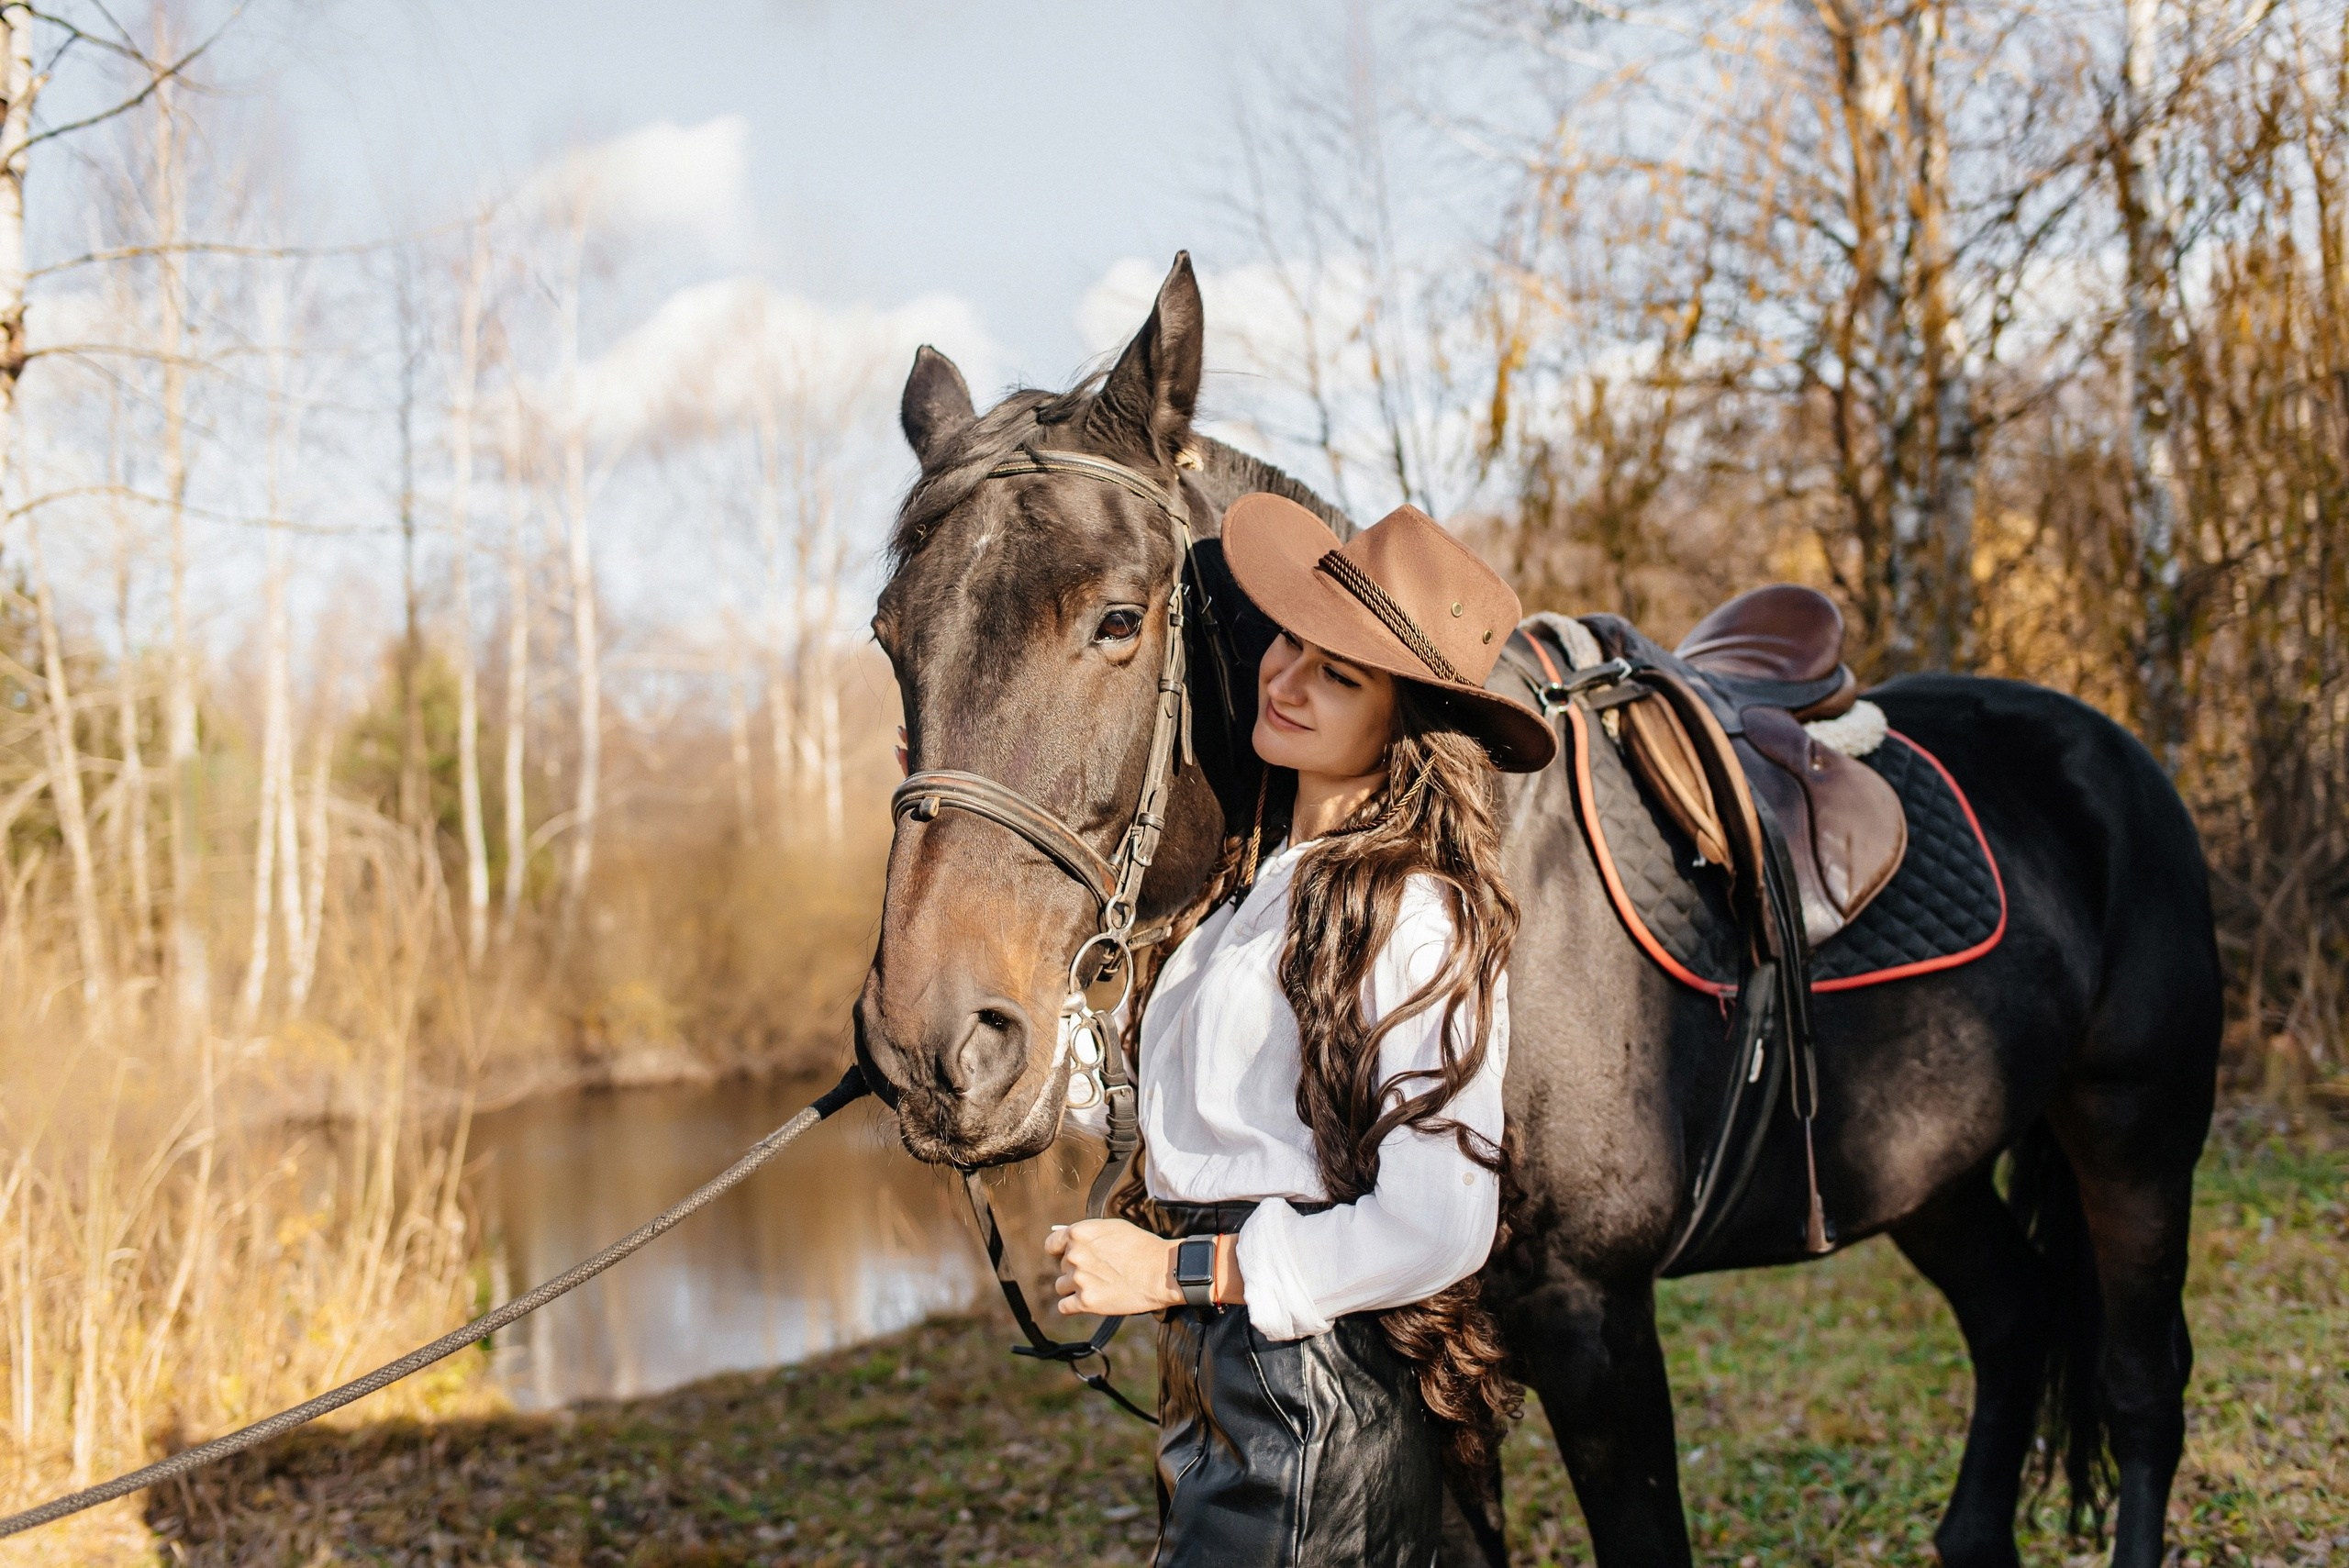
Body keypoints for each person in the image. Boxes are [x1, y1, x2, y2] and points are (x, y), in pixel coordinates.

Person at [1045, 494, 1556, 1566]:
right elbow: (1173, 1112)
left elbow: (1439, 1226)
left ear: (1405, 718)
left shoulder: (1419, 911)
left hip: (1311, 1406)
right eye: (1290, 639)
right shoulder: (1252, 886)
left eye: (1340, 672)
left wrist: (1172, 1272)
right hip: (1224, 1392)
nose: (1284, 677)